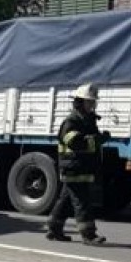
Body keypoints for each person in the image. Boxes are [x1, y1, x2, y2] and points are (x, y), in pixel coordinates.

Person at [47, 83, 109, 245]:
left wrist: (99, 138)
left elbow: (89, 142)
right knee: (82, 202)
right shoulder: (71, 121)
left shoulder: (88, 120)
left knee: (66, 200)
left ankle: (54, 228)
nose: (93, 105)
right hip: (73, 168)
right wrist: (98, 139)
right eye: (89, 102)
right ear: (79, 102)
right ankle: (89, 235)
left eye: (93, 102)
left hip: (81, 167)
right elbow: (75, 142)